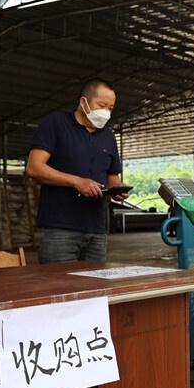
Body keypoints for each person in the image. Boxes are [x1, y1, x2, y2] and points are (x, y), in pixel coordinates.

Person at [26, 78, 130, 263]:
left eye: (110, 108)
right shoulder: (55, 124)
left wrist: (117, 189)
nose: (105, 112)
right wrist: (77, 182)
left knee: (96, 289)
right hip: (60, 229)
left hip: (97, 229)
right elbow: (34, 168)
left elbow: (112, 177)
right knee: (59, 287)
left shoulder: (108, 136)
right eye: (102, 105)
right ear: (84, 102)